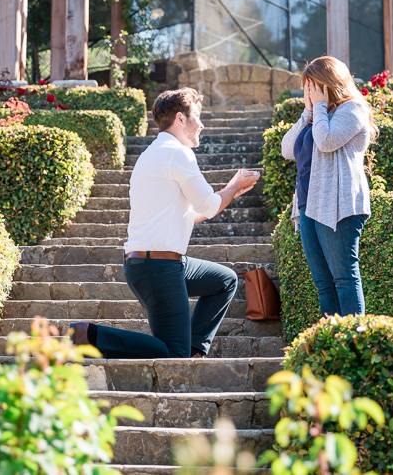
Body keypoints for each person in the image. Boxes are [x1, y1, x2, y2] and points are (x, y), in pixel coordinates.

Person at [70, 88, 260, 358]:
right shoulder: (178, 153)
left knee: (224, 280)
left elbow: (191, 214)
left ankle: (194, 349)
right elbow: (208, 205)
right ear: (181, 119)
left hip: (155, 265)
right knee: (172, 353)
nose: (202, 125)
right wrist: (232, 187)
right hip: (158, 267)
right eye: (198, 117)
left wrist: (229, 194)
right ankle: (89, 335)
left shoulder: (150, 155)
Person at [280, 56, 376, 316]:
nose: (308, 93)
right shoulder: (316, 116)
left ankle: (354, 341)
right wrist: (309, 112)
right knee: (323, 284)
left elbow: (327, 141)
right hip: (308, 205)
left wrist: (320, 108)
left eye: (313, 86)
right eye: (306, 87)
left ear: (328, 84)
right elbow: (287, 149)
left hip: (338, 204)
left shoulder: (352, 109)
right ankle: (329, 346)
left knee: (344, 277)